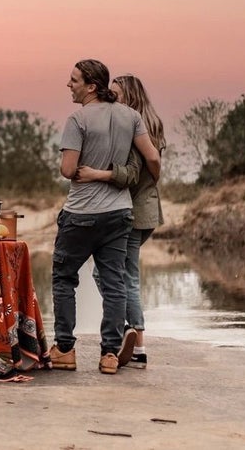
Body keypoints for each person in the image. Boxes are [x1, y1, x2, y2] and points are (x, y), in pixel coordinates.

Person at [49, 59, 161, 375]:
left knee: (64, 278)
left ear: (91, 86)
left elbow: (68, 170)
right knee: (115, 283)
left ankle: (65, 350)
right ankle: (110, 355)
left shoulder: (77, 119)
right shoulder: (131, 116)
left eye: (74, 80)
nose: (68, 85)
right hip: (120, 213)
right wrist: (148, 185)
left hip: (82, 213)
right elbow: (151, 156)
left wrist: (86, 169)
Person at [78, 74, 166, 369]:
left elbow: (130, 172)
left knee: (117, 277)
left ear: (129, 96)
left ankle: (134, 336)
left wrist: (94, 174)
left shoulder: (134, 126)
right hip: (146, 209)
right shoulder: (150, 123)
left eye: (116, 94)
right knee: (122, 276)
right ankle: (132, 335)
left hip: (133, 211)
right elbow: (152, 165)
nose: (111, 99)